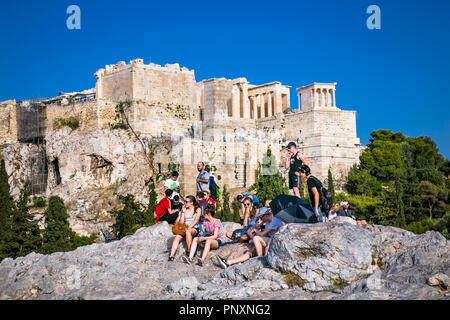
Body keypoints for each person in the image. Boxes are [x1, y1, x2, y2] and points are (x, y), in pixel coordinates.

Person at [216, 206, 284, 269]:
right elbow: (265, 235)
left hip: (273, 243)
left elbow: (262, 234)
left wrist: (256, 231)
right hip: (268, 241)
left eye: (261, 217)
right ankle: (228, 262)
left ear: (266, 215)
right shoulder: (267, 222)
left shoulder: (274, 221)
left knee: (256, 238)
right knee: (250, 252)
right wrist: (257, 228)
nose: (260, 219)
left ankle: (260, 260)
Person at [168, 195, 202, 261]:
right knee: (177, 237)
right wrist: (182, 213)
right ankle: (171, 255)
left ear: (191, 202)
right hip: (185, 227)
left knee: (188, 231)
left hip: (194, 228)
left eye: (186, 202)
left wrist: (189, 227)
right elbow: (181, 222)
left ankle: (190, 251)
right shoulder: (184, 209)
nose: (185, 203)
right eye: (184, 201)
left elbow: (196, 220)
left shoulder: (198, 209)